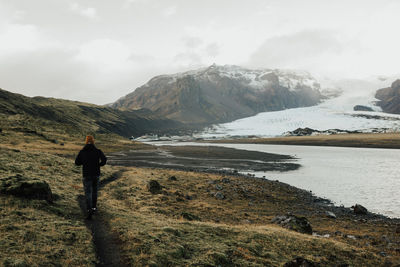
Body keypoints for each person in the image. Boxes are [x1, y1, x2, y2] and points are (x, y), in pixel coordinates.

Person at [75, 135, 107, 219]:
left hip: (86, 174)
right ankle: (94, 207)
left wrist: (84, 162)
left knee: (88, 192)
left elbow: (77, 162)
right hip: (96, 174)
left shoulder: (82, 151)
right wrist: (99, 165)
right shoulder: (98, 151)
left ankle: (89, 209)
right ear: (93, 141)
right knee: (95, 191)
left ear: (86, 141)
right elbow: (104, 160)